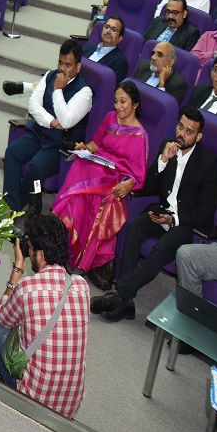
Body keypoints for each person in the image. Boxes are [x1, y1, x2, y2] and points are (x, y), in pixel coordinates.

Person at [92, 108, 217, 322]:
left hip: (185, 223)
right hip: (162, 212)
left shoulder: (208, 163)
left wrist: (174, 219)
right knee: (134, 227)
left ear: (198, 137)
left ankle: (120, 294)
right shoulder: (167, 146)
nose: (181, 134)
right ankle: (127, 303)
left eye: (189, 132)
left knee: (162, 247)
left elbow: (206, 212)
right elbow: (148, 185)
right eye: (180, 127)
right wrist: (162, 160)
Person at [0, 214, 89, 419]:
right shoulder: (82, 286)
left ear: (40, 254)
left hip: (33, 399)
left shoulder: (28, 288)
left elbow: (2, 319)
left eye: (30, 248)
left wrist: (17, 271)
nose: (29, 252)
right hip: (70, 406)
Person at [51, 82, 149, 283]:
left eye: (123, 102)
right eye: (116, 101)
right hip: (97, 164)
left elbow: (138, 174)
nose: (118, 106)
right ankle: (63, 240)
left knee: (98, 197)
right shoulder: (110, 117)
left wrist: (128, 184)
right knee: (80, 163)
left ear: (135, 104)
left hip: (115, 176)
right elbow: (95, 144)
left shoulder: (140, 135)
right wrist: (84, 148)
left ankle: (81, 256)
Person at [3, 41, 93, 213]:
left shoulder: (84, 92)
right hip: (39, 133)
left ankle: (14, 210)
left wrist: (58, 90)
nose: (62, 69)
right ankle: (9, 206)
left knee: (36, 167)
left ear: (78, 67)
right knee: (12, 153)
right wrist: (51, 121)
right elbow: (33, 105)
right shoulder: (50, 76)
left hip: (59, 146)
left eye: (68, 65)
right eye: (60, 62)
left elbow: (66, 121)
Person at [132, 41, 188, 106]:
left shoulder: (178, 84)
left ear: (170, 62)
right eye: (153, 53)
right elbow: (127, 88)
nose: (153, 57)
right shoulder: (142, 66)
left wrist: (162, 83)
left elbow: (166, 108)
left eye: (159, 55)